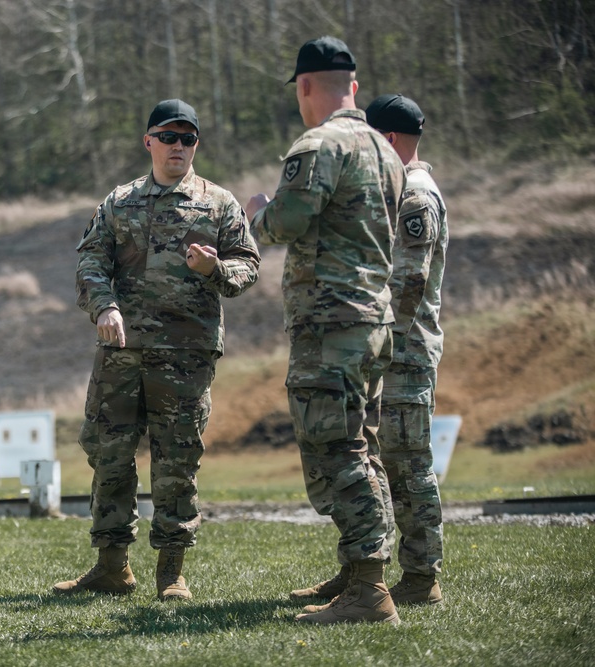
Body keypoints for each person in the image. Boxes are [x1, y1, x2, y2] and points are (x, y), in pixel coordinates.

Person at [54, 99, 260, 602]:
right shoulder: (119, 202)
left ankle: (171, 571)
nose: (178, 147)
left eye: (188, 139)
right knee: (108, 454)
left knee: (176, 461)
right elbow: (89, 263)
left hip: (185, 355)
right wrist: (104, 307)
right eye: (169, 136)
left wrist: (216, 270)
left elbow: (248, 266)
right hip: (120, 351)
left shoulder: (219, 204)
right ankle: (110, 566)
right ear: (148, 141)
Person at [244, 37, 405, 625]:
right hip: (372, 320)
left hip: (332, 323)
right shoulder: (385, 150)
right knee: (362, 447)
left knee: (335, 449)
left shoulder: (319, 144)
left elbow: (287, 219)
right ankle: (360, 569)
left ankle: (369, 589)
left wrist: (260, 209)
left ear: (305, 86)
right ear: (354, 86)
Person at [365, 94, 448, 605]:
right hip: (389, 351)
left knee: (409, 465)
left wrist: (377, 345)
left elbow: (408, 288)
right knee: (380, 462)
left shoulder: (414, 197)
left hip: (404, 353)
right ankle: (366, 572)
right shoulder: (398, 191)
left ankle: (421, 578)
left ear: (390, 140)